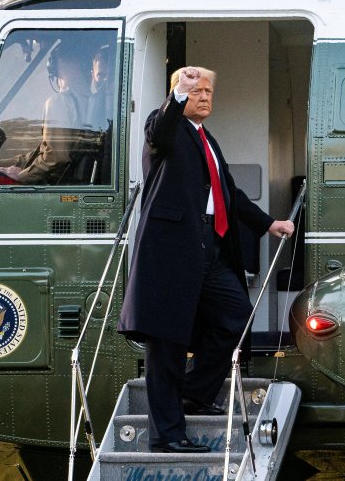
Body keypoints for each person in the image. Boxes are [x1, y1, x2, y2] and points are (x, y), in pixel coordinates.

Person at [118, 66, 295, 454]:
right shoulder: (165, 125)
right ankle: (166, 435)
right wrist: (177, 94)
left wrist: (269, 224)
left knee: (235, 315)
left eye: (209, 91)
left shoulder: (207, 138)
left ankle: (192, 393)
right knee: (166, 344)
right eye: (196, 90)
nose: (204, 97)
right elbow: (157, 134)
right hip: (171, 252)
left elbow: (228, 193)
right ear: (178, 93)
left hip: (208, 250)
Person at [0, 42, 112, 185]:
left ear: (58, 68)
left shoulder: (59, 102)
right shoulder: (96, 103)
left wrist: (22, 177)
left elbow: (56, 156)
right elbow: (45, 151)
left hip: (56, 185)